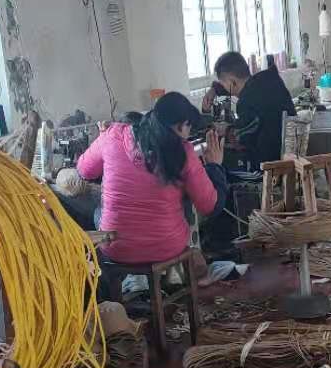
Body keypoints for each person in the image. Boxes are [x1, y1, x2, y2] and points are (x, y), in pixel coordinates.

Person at [76, 91, 226, 266]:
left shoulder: (112, 135)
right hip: (167, 247)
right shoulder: (184, 151)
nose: (188, 134)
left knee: (98, 212)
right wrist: (215, 166)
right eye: (189, 128)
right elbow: (210, 206)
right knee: (183, 206)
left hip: (117, 249)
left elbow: (84, 170)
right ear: (181, 126)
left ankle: (123, 277)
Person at [204, 51, 295, 168]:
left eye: (223, 84)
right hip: (289, 158)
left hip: (268, 166)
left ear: (232, 82)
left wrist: (225, 130)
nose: (224, 88)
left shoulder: (246, 101)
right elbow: (232, 86)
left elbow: (241, 139)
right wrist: (214, 89)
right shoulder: (269, 80)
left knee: (214, 163)